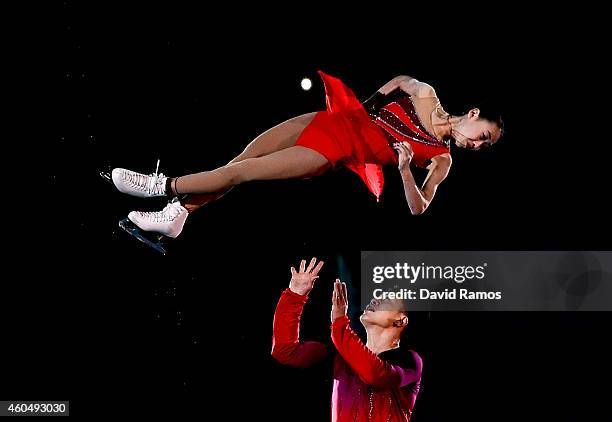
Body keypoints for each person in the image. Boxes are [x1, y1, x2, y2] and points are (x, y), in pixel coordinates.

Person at [111, 71, 504, 238]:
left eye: (485, 145)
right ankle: (178, 215)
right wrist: (366, 108)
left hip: (332, 149)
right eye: (483, 135)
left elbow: (420, 208)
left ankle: (159, 186)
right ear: (473, 114)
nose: (479, 144)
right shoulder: (427, 94)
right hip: (329, 120)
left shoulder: (441, 158)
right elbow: (403, 79)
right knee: (238, 161)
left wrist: (403, 170)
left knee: (241, 174)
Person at [271, 258, 422, 421]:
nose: (374, 300)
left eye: (387, 300)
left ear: (401, 320)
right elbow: (285, 352)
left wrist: (340, 323)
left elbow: (375, 375)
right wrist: (295, 295)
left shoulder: (409, 361)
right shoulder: (340, 355)